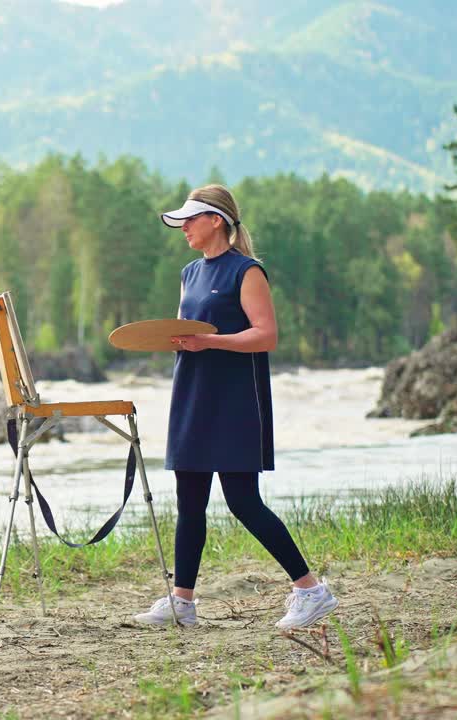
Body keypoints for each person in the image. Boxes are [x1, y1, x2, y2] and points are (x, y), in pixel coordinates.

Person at [133, 184, 338, 629]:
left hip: (234, 399)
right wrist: (179, 343)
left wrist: (208, 342)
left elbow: (266, 335)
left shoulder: (247, 272)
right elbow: (187, 332)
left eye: (191, 219)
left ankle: (312, 591)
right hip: (192, 391)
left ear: (216, 221)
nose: (183, 227)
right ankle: (182, 603)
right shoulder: (189, 273)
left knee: (242, 500)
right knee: (190, 500)